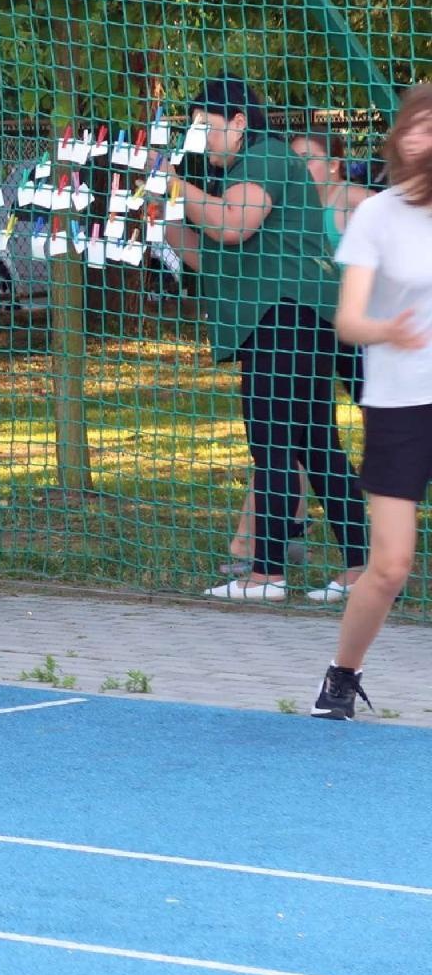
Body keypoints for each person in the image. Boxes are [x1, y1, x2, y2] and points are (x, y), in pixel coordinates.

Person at [160, 75, 368, 601]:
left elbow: (233, 224)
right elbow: (211, 258)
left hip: (288, 322)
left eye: (207, 126)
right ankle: (360, 567)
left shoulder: (269, 156)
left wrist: (178, 188)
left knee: (276, 445)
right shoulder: (231, 174)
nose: (200, 138)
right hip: (282, 323)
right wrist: (159, 211)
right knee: (316, 447)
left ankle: (266, 574)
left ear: (238, 122)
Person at [311, 85, 432, 719]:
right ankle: (341, 675)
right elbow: (349, 322)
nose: (418, 136)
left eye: (430, 127)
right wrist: (390, 329)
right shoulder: (377, 214)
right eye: (411, 125)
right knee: (389, 567)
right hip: (399, 406)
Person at [219, 126, 374, 576]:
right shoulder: (285, 206)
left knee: (364, 431)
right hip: (315, 326)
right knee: (294, 440)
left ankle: (370, 540)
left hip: (353, 323)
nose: (298, 166)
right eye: (294, 158)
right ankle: (269, 544)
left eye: (307, 158)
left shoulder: (353, 200)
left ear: (334, 165)